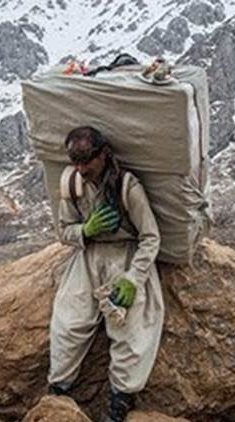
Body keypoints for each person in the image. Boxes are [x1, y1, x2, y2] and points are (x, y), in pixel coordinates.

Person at [47, 126, 164, 422]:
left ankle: (120, 401)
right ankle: (58, 390)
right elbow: (65, 231)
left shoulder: (127, 187)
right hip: (88, 257)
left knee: (131, 327)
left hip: (125, 257)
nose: (81, 168)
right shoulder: (71, 184)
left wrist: (133, 278)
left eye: (87, 160)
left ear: (104, 154)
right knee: (68, 321)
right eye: (75, 161)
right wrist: (85, 230)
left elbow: (150, 237)